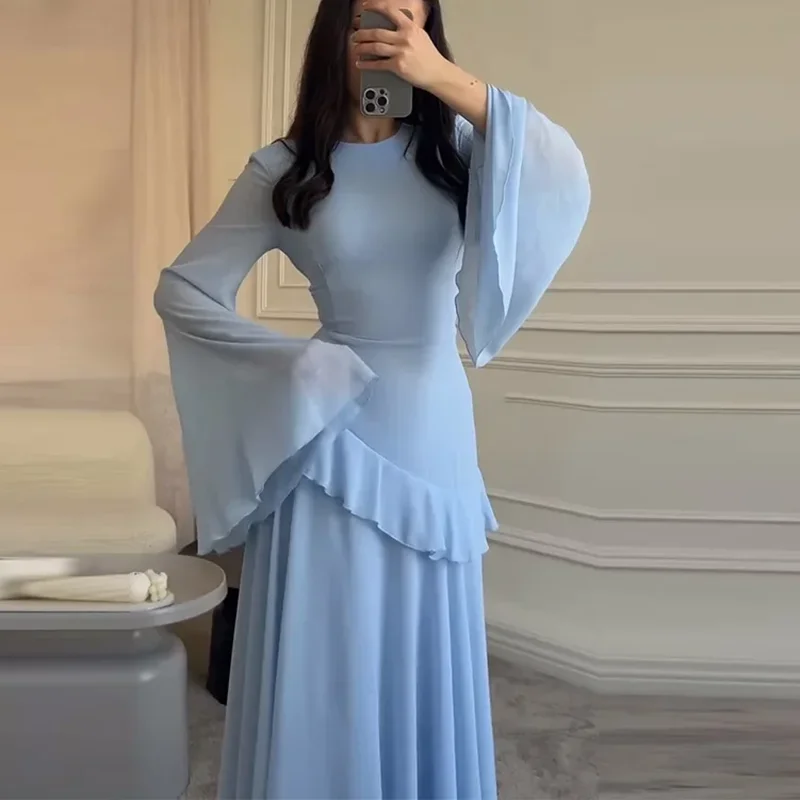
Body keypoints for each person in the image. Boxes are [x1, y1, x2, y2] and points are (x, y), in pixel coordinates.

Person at [154, 0, 590, 797]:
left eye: (409, 18)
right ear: (338, 30)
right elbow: (184, 290)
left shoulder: (461, 151)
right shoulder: (287, 169)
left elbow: (563, 172)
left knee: (421, 648)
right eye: (374, 16)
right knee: (329, 653)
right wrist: (293, 366)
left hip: (432, 428)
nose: (391, 35)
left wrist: (446, 80)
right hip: (329, 444)